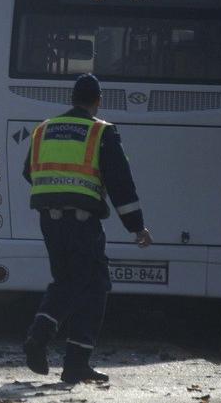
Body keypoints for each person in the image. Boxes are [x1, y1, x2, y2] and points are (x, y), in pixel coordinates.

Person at [21, 73, 153, 384]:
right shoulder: (101, 132)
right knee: (91, 285)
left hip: (49, 220)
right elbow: (121, 184)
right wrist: (137, 228)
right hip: (82, 222)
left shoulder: (44, 129)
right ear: (98, 101)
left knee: (70, 281)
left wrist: (59, 190)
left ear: (72, 98)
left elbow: (30, 171)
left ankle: (70, 359)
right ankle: (48, 343)